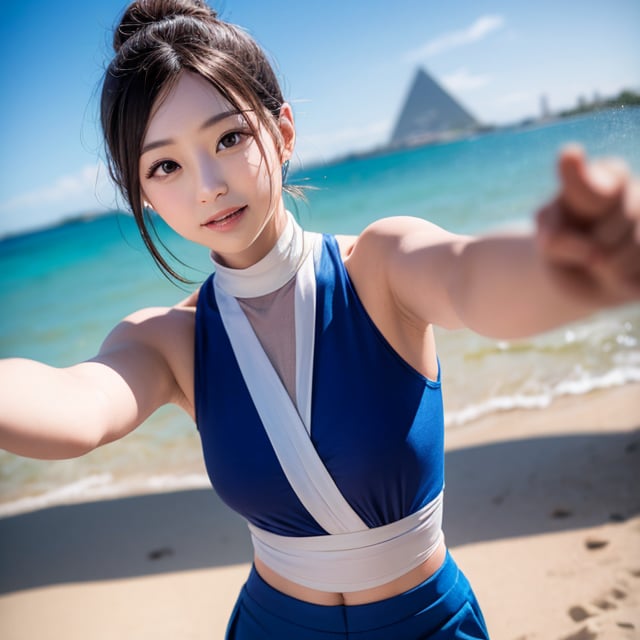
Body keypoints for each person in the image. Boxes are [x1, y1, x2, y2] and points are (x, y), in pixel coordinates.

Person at [1, 1, 639, 637]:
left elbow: (472, 277)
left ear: (282, 133)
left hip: (425, 623)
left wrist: (568, 266)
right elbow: (76, 410)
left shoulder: (380, 266)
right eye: (165, 165)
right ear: (142, 191)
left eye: (229, 138)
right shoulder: (169, 340)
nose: (207, 185)